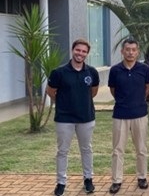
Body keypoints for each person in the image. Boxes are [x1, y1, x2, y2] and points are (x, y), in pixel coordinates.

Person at [46, 38, 100, 196]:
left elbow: (93, 92)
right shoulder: (59, 72)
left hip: (86, 117)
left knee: (87, 149)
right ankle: (61, 182)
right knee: (62, 151)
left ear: (87, 54)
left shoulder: (92, 72)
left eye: (84, 51)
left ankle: (88, 179)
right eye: (78, 50)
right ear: (72, 50)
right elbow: (51, 91)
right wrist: (64, 102)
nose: (80, 53)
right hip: (64, 119)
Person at [108, 37, 149, 194]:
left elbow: (148, 88)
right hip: (120, 114)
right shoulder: (115, 70)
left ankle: (142, 177)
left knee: (141, 148)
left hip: (140, 114)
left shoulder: (144, 69)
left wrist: (138, 100)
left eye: (134, 50)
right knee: (117, 150)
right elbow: (113, 90)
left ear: (137, 51)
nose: (130, 52)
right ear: (122, 51)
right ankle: (116, 180)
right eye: (127, 49)